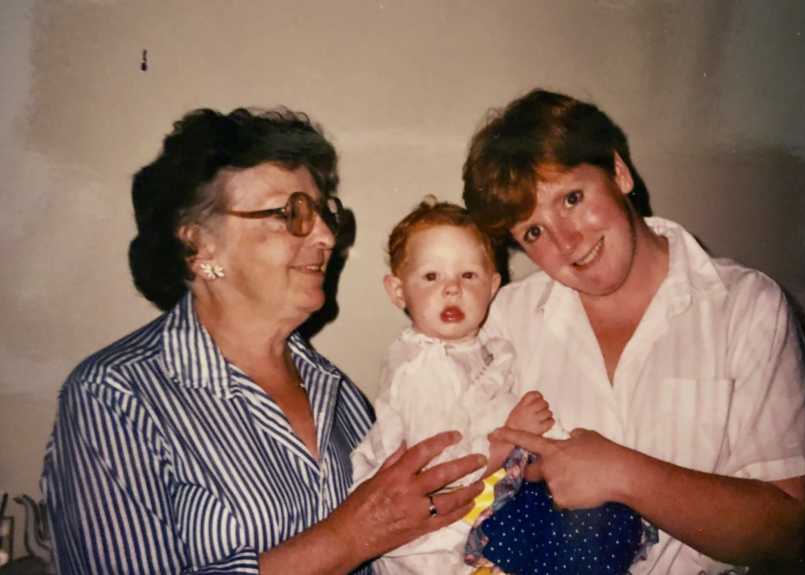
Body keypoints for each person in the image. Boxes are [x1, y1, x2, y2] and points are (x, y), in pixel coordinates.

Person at [40, 107, 487, 575]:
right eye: (290, 213)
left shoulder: (338, 392)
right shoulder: (115, 395)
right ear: (200, 246)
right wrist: (349, 537)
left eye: (324, 214)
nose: (325, 236)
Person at [462, 89, 805, 574]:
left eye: (572, 199)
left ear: (619, 173)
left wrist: (623, 473)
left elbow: (788, 535)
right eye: (533, 232)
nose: (566, 241)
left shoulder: (748, 308)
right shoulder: (505, 321)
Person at [351, 198, 643, 575]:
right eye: (431, 277)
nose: (452, 289)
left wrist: (536, 457)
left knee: (610, 518)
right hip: (442, 534)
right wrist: (513, 437)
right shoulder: (420, 368)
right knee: (593, 530)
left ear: (492, 287)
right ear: (397, 290)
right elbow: (441, 470)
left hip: (491, 499)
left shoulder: (484, 350)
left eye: (468, 276)